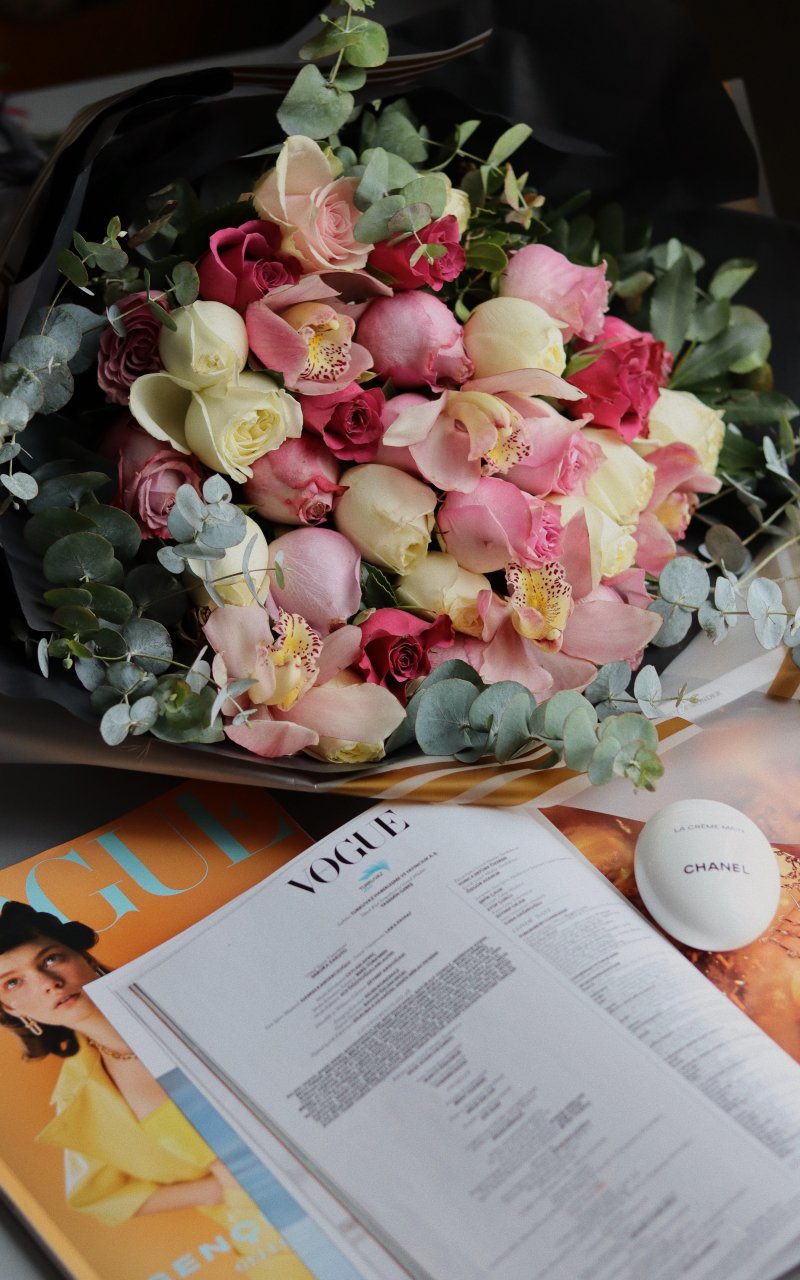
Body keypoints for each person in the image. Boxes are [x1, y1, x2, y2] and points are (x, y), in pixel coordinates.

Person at [0, 900, 313, 1278]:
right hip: (273, 1236)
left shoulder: (200, 998)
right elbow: (95, 1196)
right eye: (13, 982)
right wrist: (220, 1187)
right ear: (12, 1009)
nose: (47, 983)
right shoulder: (81, 1096)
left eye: (51, 959)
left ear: (83, 956)